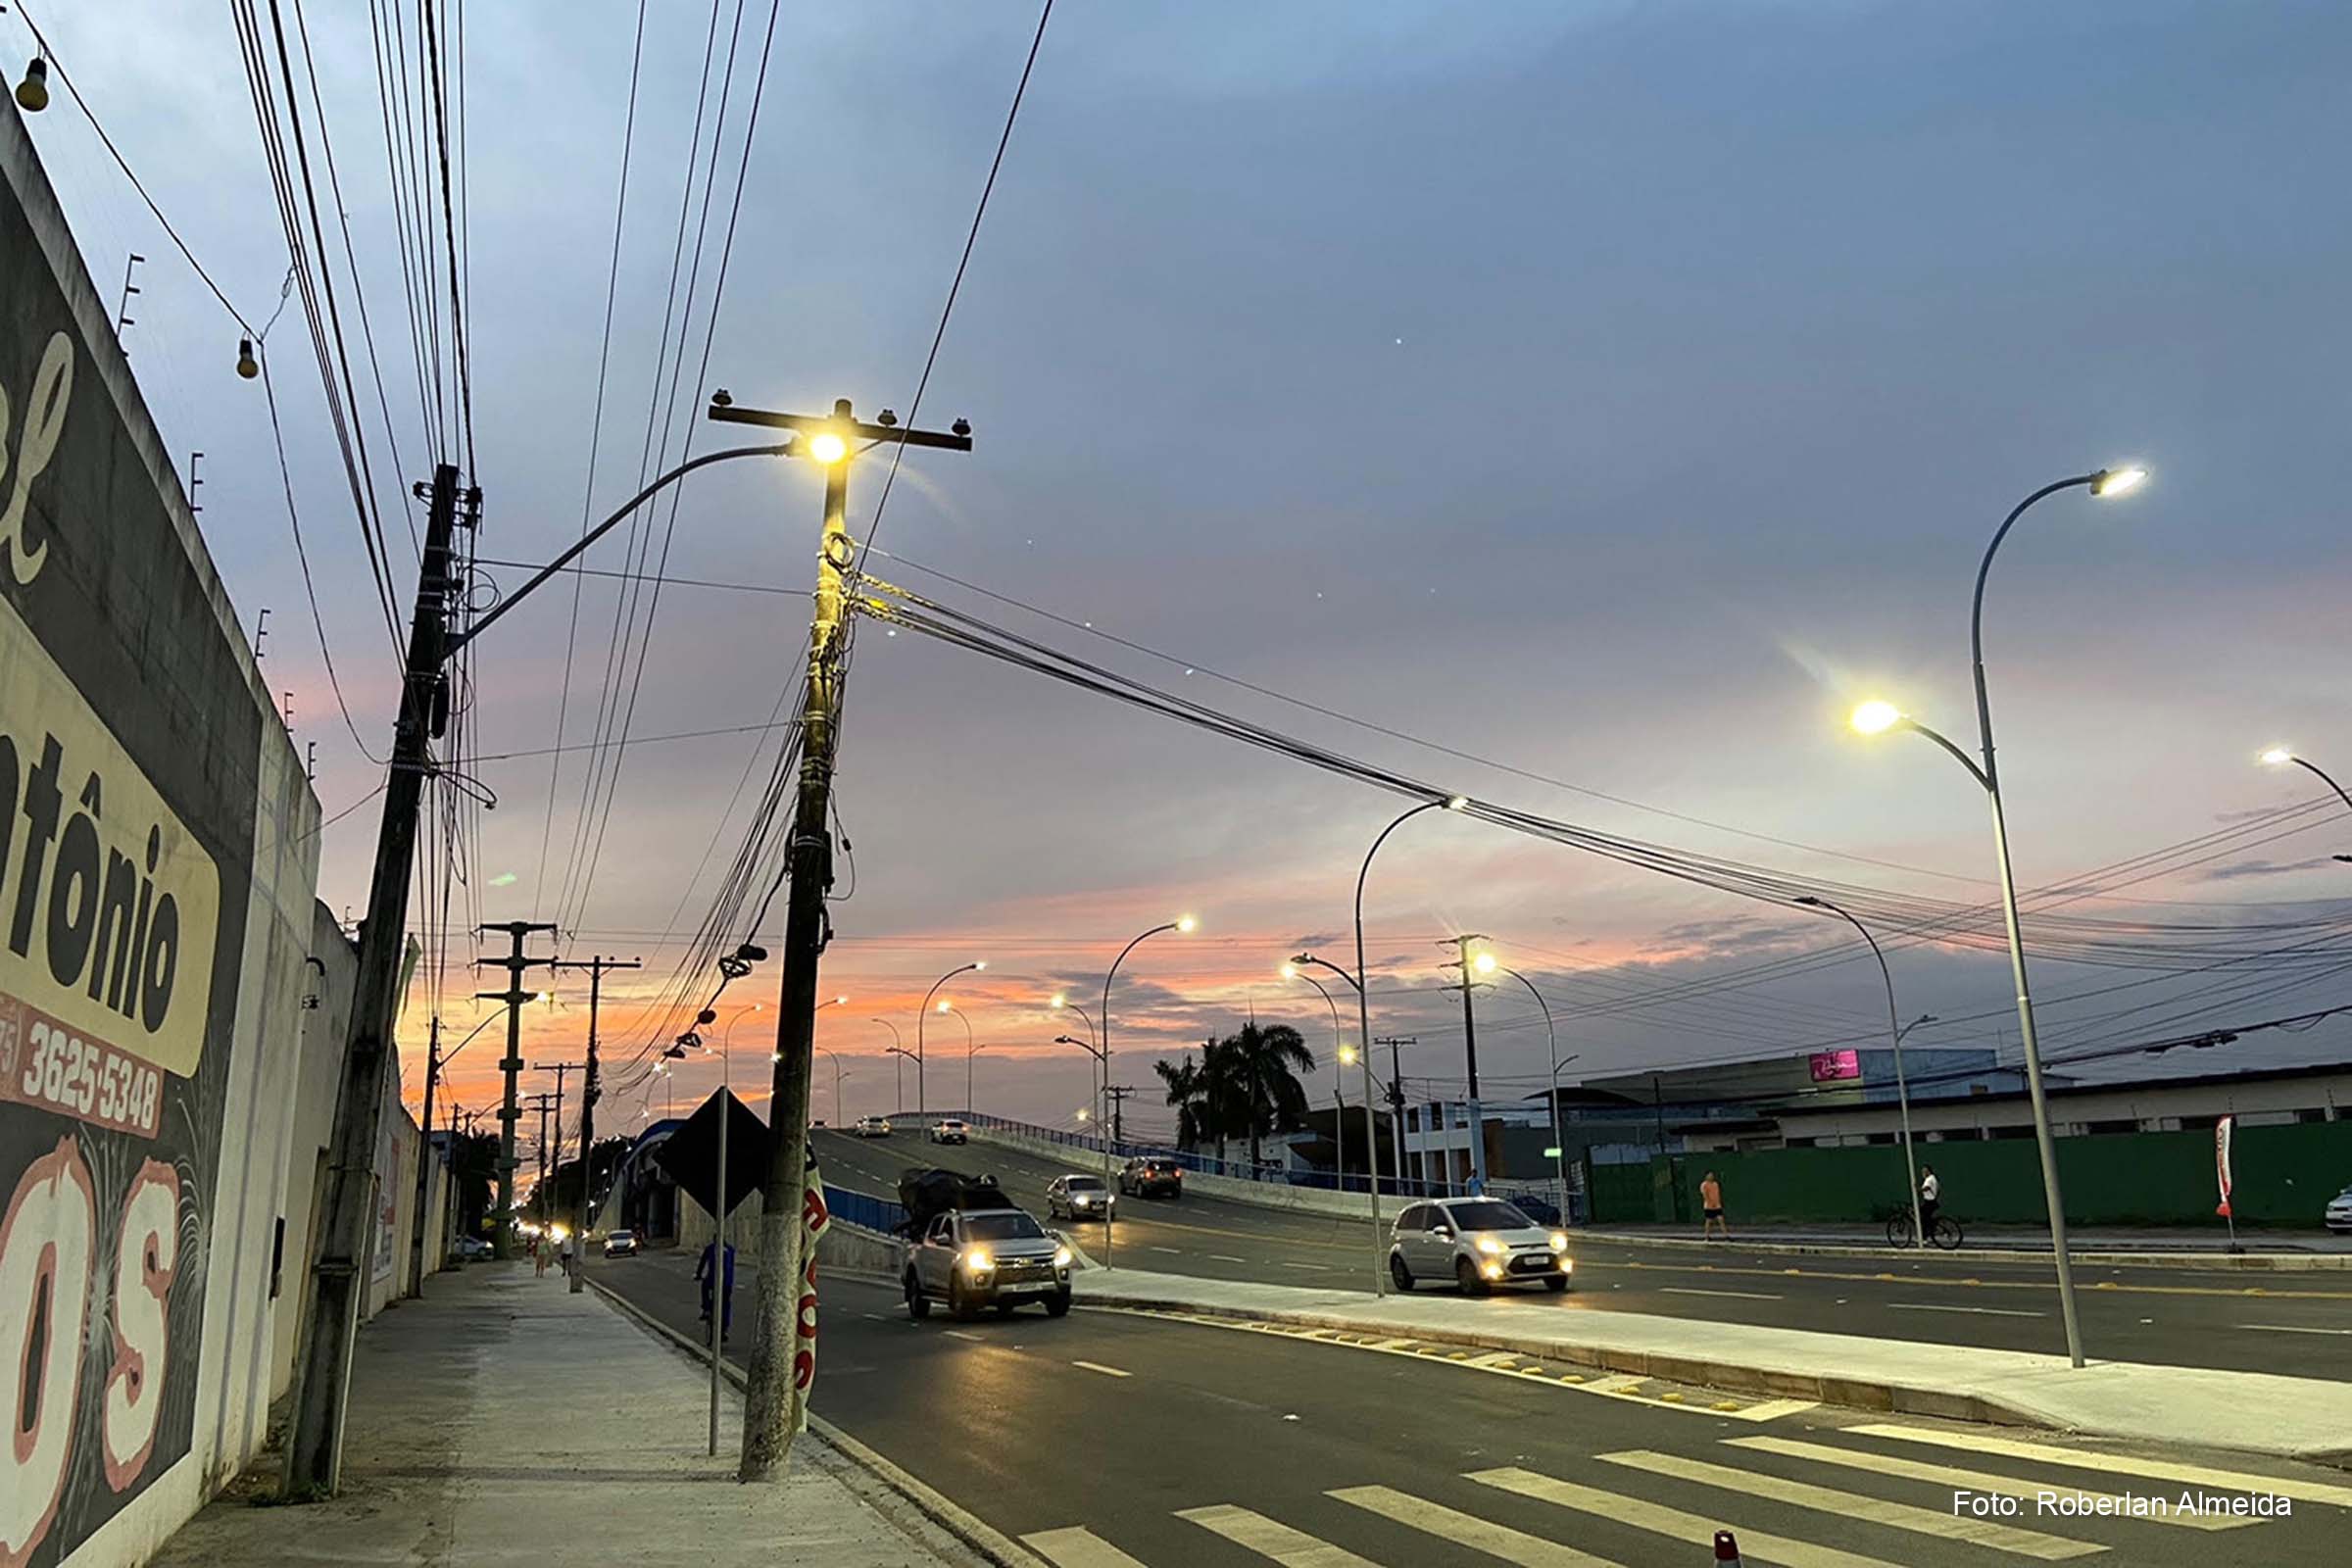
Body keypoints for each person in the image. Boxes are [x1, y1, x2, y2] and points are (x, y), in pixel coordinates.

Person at [696, 1239, 738, 1339]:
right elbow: (731, 1267)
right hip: (727, 1283)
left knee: (704, 1285)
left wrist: (698, 1275)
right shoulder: (730, 1249)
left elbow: (702, 1263)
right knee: (726, 1304)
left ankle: (706, 1309)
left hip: (713, 1280)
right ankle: (725, 1329)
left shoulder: (710, 1248)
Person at [1699, 1170, 1731, 1240]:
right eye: (1709, 1175)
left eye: (1712, 1175)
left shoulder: (1715, 1184)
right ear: (1706, 1176)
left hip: (1717, 1206)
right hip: (1709, 1206)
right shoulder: (1704, 1185)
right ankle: (1707, 1236)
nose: (1711, 1176)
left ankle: (1726, 1236)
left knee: (1721, 1220)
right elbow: (1705, 1195)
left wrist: (1718, 1203)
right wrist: (1710, 1203)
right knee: (1709, 1221)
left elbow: (1717, 1194)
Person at [1919, 1165, 1940, 1238]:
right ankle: (1932, 1226)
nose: (1923, 1172)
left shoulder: (1929, 1179)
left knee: (1924, 1219)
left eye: (1925, 1171)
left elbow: (1926, 1188)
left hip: (1930, 1202)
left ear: (1928, 1171)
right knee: (1924, 1216)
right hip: (1931, 1201)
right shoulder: (1933, 1178)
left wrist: (1917, 1189)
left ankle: (1925, 1236)